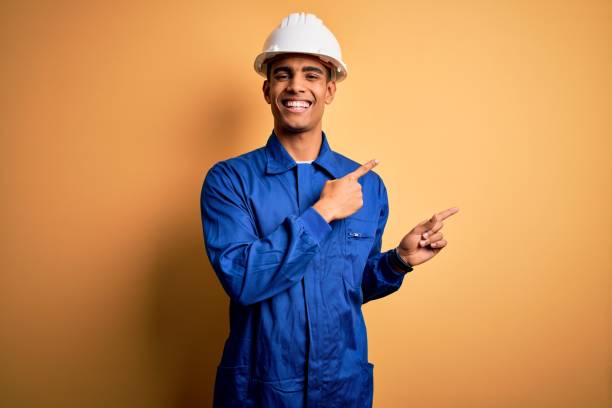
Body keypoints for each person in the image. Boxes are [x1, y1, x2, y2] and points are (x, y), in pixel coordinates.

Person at [200, 12, 459, 408]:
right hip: (260, 390)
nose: (296, 86)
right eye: (283, 74)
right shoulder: (230, 181)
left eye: (311, 74)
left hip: (341, 389)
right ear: (267, 90)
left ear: (330, 90)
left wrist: (398, 262)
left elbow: (348, 289)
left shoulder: (367, 187)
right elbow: (244, 281)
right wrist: (322, 213)